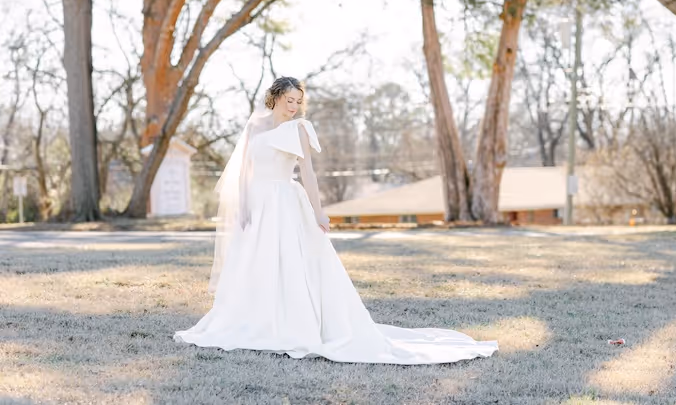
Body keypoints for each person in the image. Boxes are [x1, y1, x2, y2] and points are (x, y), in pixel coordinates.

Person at [174, 77, 498, 364]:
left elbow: (307, 172)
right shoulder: (254, 127)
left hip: (286, 201)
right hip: (257, 203)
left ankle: (293, 323)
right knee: (255, 262)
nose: (294, 107)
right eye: (289, 100)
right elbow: (244, 171)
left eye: (298, 101)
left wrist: (318, 211)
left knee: (291, 263)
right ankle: (253, 320)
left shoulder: (300, 129)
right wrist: (243, 206)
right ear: (275, 98)